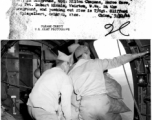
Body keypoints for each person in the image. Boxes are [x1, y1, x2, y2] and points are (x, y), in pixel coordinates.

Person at [68, 44, 149, 120]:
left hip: (85, 106)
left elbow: (69, 94)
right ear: (86, 53)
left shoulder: (71, 72)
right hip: (101, 103)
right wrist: (138, 55)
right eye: (89, 53)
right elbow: (117, 61)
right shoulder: (95, 62)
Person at [27, 51, 73, 120]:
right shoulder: (64, 76)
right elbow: (66, 103)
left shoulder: (47, 72)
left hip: (31, 107)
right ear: (65, 64)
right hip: (42, 110)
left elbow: (51, 96)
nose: (69, 69)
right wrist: (69, 118)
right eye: (69, 66)